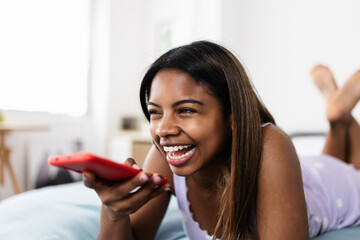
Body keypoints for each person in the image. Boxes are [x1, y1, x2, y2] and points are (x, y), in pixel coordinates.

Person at [83, 40, 360, 240]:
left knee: (352, 172)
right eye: (155, 113)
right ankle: (339, 118)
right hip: (315, 171)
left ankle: (341, 119)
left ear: (232, 116)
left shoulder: (270, 144)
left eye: (186, 110)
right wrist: (112, 211)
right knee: (328, 162)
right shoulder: (164, 159)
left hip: (340, 188)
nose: (163, 130)